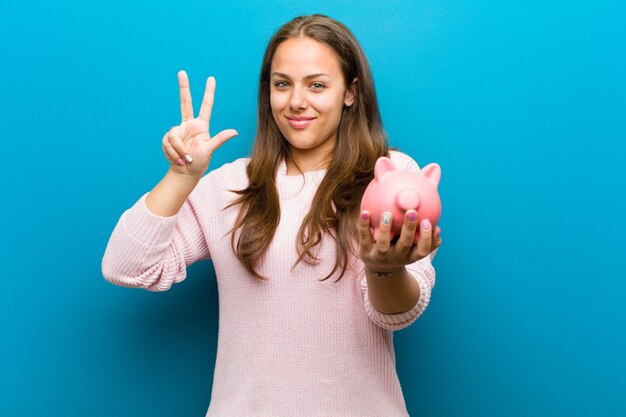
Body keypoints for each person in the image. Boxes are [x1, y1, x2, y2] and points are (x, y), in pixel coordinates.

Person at [102, 14, 442, 417]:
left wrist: (383, 268)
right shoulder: (229, 186)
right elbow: (125, 267)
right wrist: (181, 176)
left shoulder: (390, 177)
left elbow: (396, 314)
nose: (296, 101)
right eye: (282, 84)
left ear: (350, 92)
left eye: (316, 85)